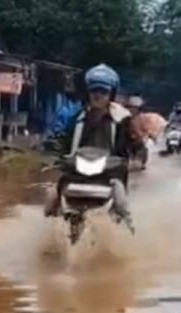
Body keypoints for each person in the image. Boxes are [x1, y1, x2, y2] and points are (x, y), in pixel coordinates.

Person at [44, 64, 141, 231]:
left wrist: (137, 159)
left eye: (103, 91)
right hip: (76, 173)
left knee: (122, 205)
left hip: (110, 175)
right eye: (94, 91)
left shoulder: (123, 119)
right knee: (52, 198)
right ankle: (49, 236)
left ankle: (129, 236)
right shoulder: (75, 117)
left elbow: (137, 144)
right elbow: (60, 141)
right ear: (87, 92)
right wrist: (53, 156)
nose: (98, 95)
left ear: (111, 94)